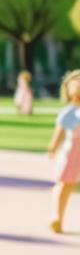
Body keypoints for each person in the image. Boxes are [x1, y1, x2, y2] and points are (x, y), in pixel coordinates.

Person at [47, 69, 80, 233]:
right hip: (72, 154)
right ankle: (57, 217)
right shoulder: (70, 113)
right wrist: (52, 148)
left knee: (65, 186)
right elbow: (59, 133)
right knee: (64, 185)